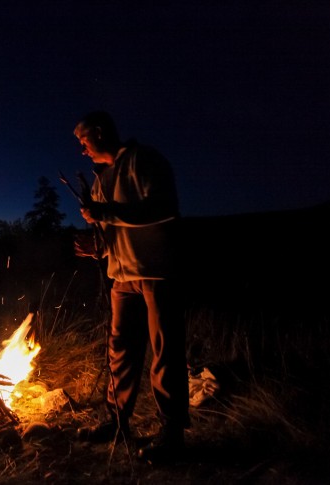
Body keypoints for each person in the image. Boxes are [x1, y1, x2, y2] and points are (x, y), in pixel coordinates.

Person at [72, 111, 189, 463]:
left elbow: (163, 209)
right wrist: (98, 248)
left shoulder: (144, 160)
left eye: (83, 141)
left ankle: (172, 434)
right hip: (121, 278)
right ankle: (118, 422)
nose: (82, 151)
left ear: (100, 133)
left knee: (164, 351)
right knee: (120, 351)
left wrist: (105, 213)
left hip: (157, 273)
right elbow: (114, 233)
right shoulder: (99, 181)